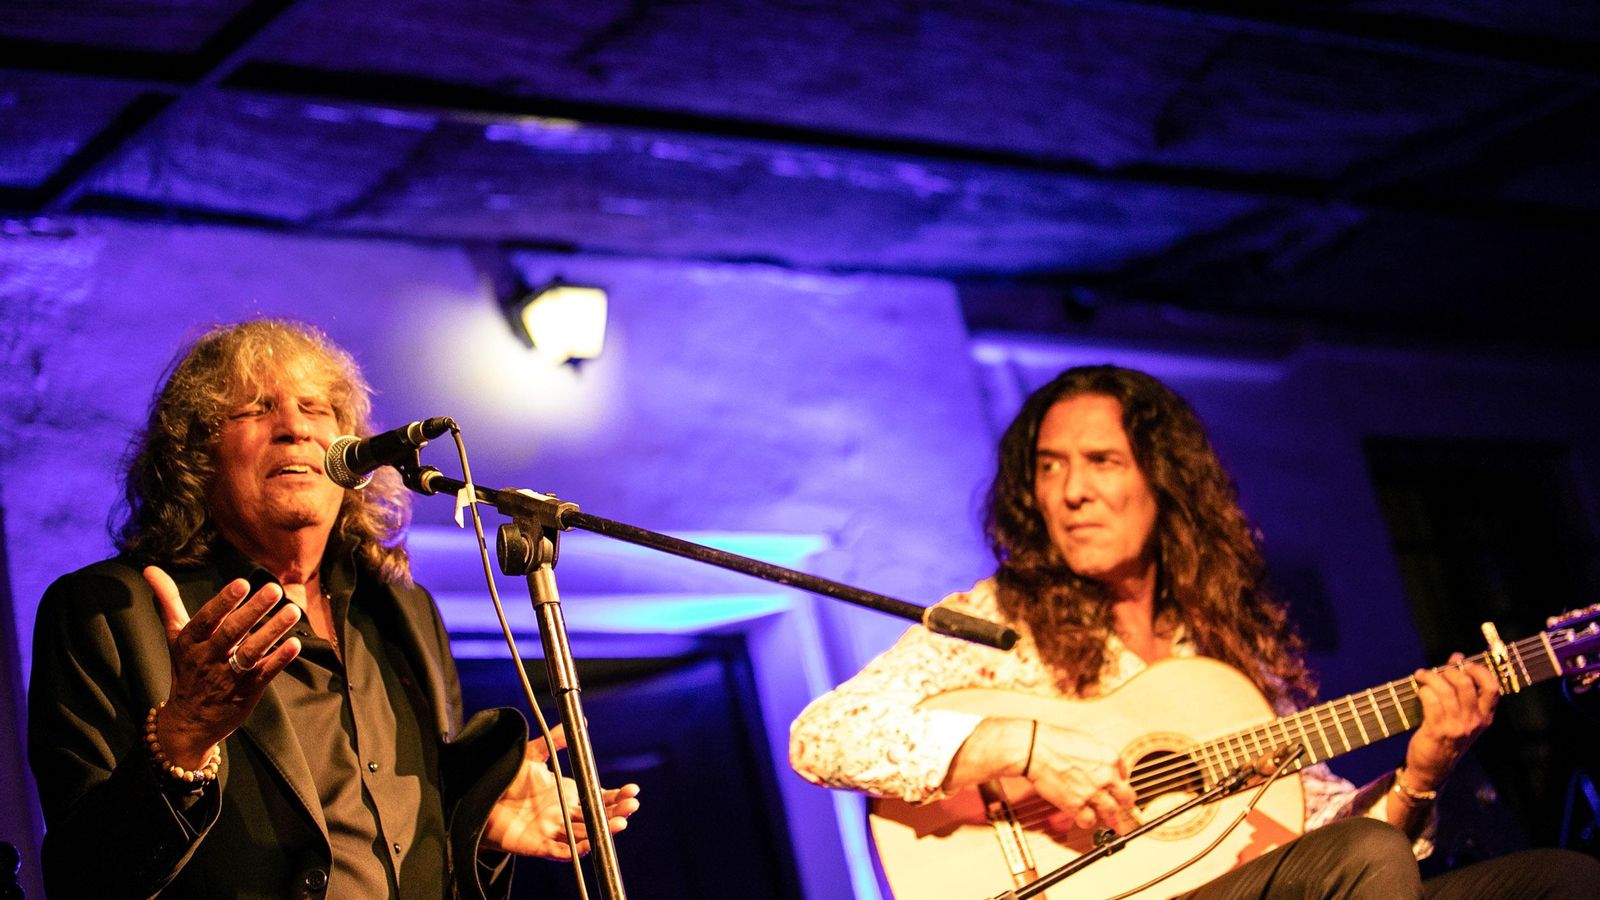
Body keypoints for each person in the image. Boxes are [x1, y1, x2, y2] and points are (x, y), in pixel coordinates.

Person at [790, 364, 1599, 898]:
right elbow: (822, 736)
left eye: (1101, 460)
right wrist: (1017, 745)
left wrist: (1421, 774)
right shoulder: (998, 618)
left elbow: (1311, 831)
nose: (1070, 491)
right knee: (1371, 862)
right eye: (1048, 465)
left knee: (1559, 880)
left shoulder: (1222, 644)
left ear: (1163, 482)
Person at [28, 319, 640, 899]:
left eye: (317, 408)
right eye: (256, 408)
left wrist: (472, 821)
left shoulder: (405, 612)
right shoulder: (107, 612)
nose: (295, 427)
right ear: (197, 453)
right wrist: (183, 739)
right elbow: (84, 879)